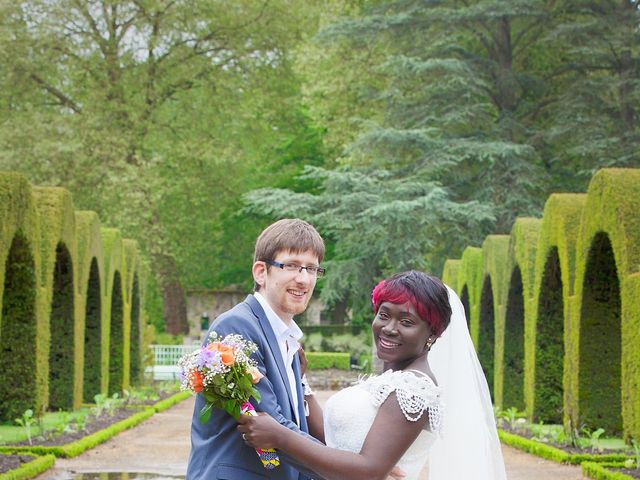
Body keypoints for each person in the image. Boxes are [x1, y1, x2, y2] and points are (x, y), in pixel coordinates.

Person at [238, 271, 508, 480]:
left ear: (433, 334)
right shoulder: (391, 380)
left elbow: (369, 471)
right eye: (384, 315)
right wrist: (301, 383)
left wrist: (279, 436)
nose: (389, 329)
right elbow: (333, 440)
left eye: (406, 322)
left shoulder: (414, 388)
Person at [186, 218, 326, 480]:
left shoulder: (287, 339)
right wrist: (353, 470)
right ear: (261, 272)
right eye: (292, 266)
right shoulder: (237, 327)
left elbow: (295, 428)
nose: (304, 279)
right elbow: (271, 426)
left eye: (312, 269)